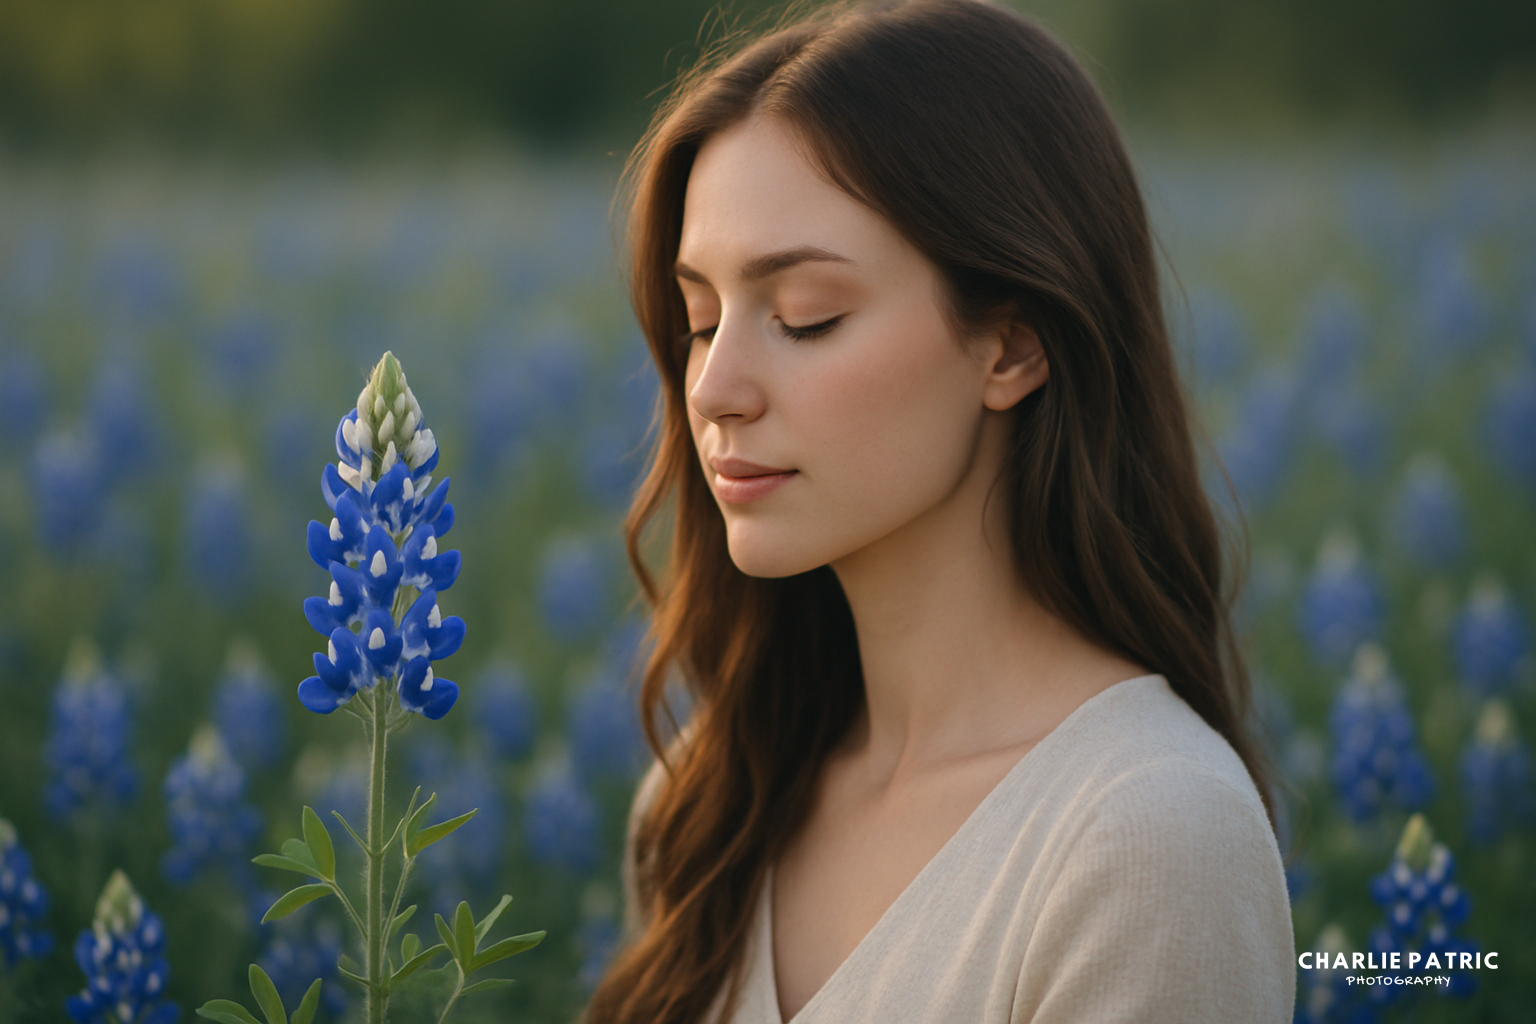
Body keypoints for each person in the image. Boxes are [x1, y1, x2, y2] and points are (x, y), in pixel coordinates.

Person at [583, 1, 1296, 1022]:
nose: (713, 387)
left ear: (1009, 347)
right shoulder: (704, 804)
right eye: (701, 319)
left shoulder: (1147, 838)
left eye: (804, 318)